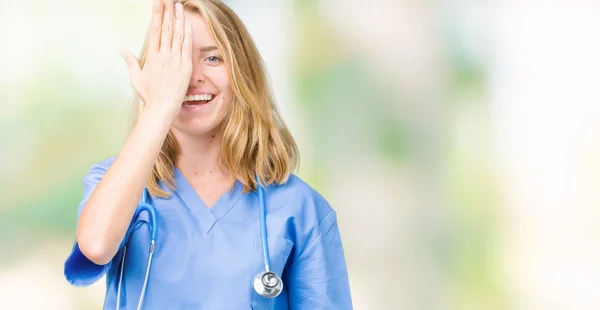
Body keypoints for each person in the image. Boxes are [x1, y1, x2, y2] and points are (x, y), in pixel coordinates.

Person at [63, 0, 353, 309]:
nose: (191, 76)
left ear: (242, 71)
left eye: (212, 58)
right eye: (176, 62)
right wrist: (159, 107)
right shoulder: (113, 182)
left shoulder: (300, 208)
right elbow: (95, 246)